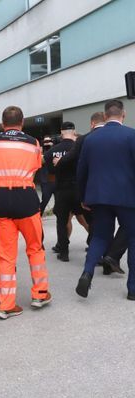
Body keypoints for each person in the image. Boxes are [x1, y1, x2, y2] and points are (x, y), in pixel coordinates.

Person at [0, 106, 51, 320]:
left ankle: (6, 305)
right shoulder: (33, 143)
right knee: (35, 248)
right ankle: (40, 295)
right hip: (26, 200)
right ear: (22, 122)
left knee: (5, 254)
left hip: (1, 200)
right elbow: (36, 166)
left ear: (2, 123)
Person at [75, 99, 135, 299]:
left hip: (98, 197)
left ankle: (87, 272)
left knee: (100, 237)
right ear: (123, 115)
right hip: (128, 198)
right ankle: (133, 289)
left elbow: (81, 171)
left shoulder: (90, 139)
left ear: (105, 115)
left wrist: (83, 197)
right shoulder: (131, 135)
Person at [44, 122, 88, 262]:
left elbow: (50, 170)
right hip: (78, 189)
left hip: (61, 190)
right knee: (87, 219)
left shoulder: (53, 150)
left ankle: (63, 253)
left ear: (61, 132)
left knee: (62, 222)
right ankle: (95, 248)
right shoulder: (80, 147)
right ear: (74, 131)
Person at [39, 136, 55, 215]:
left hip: (55, 179)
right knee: (45, 199)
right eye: (45, 142)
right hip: (45, 180)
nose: (47, 143)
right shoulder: (40, 152)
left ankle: (56, 211)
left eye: (49, 141)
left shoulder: (55, 151)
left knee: (59, 199)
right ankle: (39, 214)